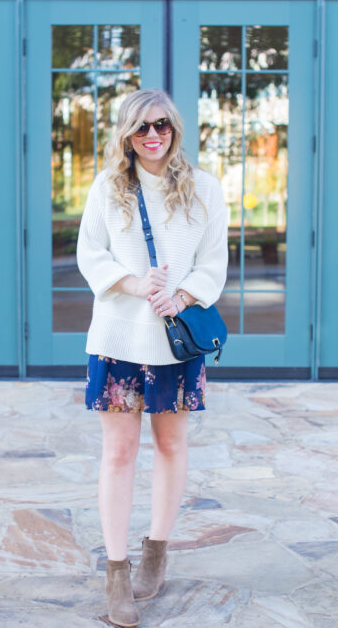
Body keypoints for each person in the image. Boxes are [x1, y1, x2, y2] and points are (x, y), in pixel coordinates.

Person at [76, 88, 228, 628]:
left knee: (170, 444)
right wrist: (137, 284)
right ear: (126, 135)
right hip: (118, 337)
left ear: (175, 128)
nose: (153, 135)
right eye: (141, 128)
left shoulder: (204, 188)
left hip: (175, 343)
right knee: (118, 454)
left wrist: (183, 294)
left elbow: (214, 260)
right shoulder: (108, 188)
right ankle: (117, 571)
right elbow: (89, 253)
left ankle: (155, 555)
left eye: (162, 124)